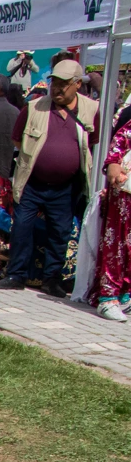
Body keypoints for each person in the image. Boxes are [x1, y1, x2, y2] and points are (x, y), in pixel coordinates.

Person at [0, 59, 100, 298]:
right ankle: (16, 274)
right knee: (21, 228)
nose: (57, 89)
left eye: (64, 84)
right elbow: (16, 139)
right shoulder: (34, 107)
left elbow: (92, 143)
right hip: (32, 182)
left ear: (76, 85)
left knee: (59, 233)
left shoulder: (91, 109)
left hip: (65, 186)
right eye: (55, 83)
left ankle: (52, 279)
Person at [94, 120, 131, 321]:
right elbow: (116, 151)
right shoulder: (129, 128)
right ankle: (108, 298)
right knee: (117, 245)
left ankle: (127, 294)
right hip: (125, 196)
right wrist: (114, 166)